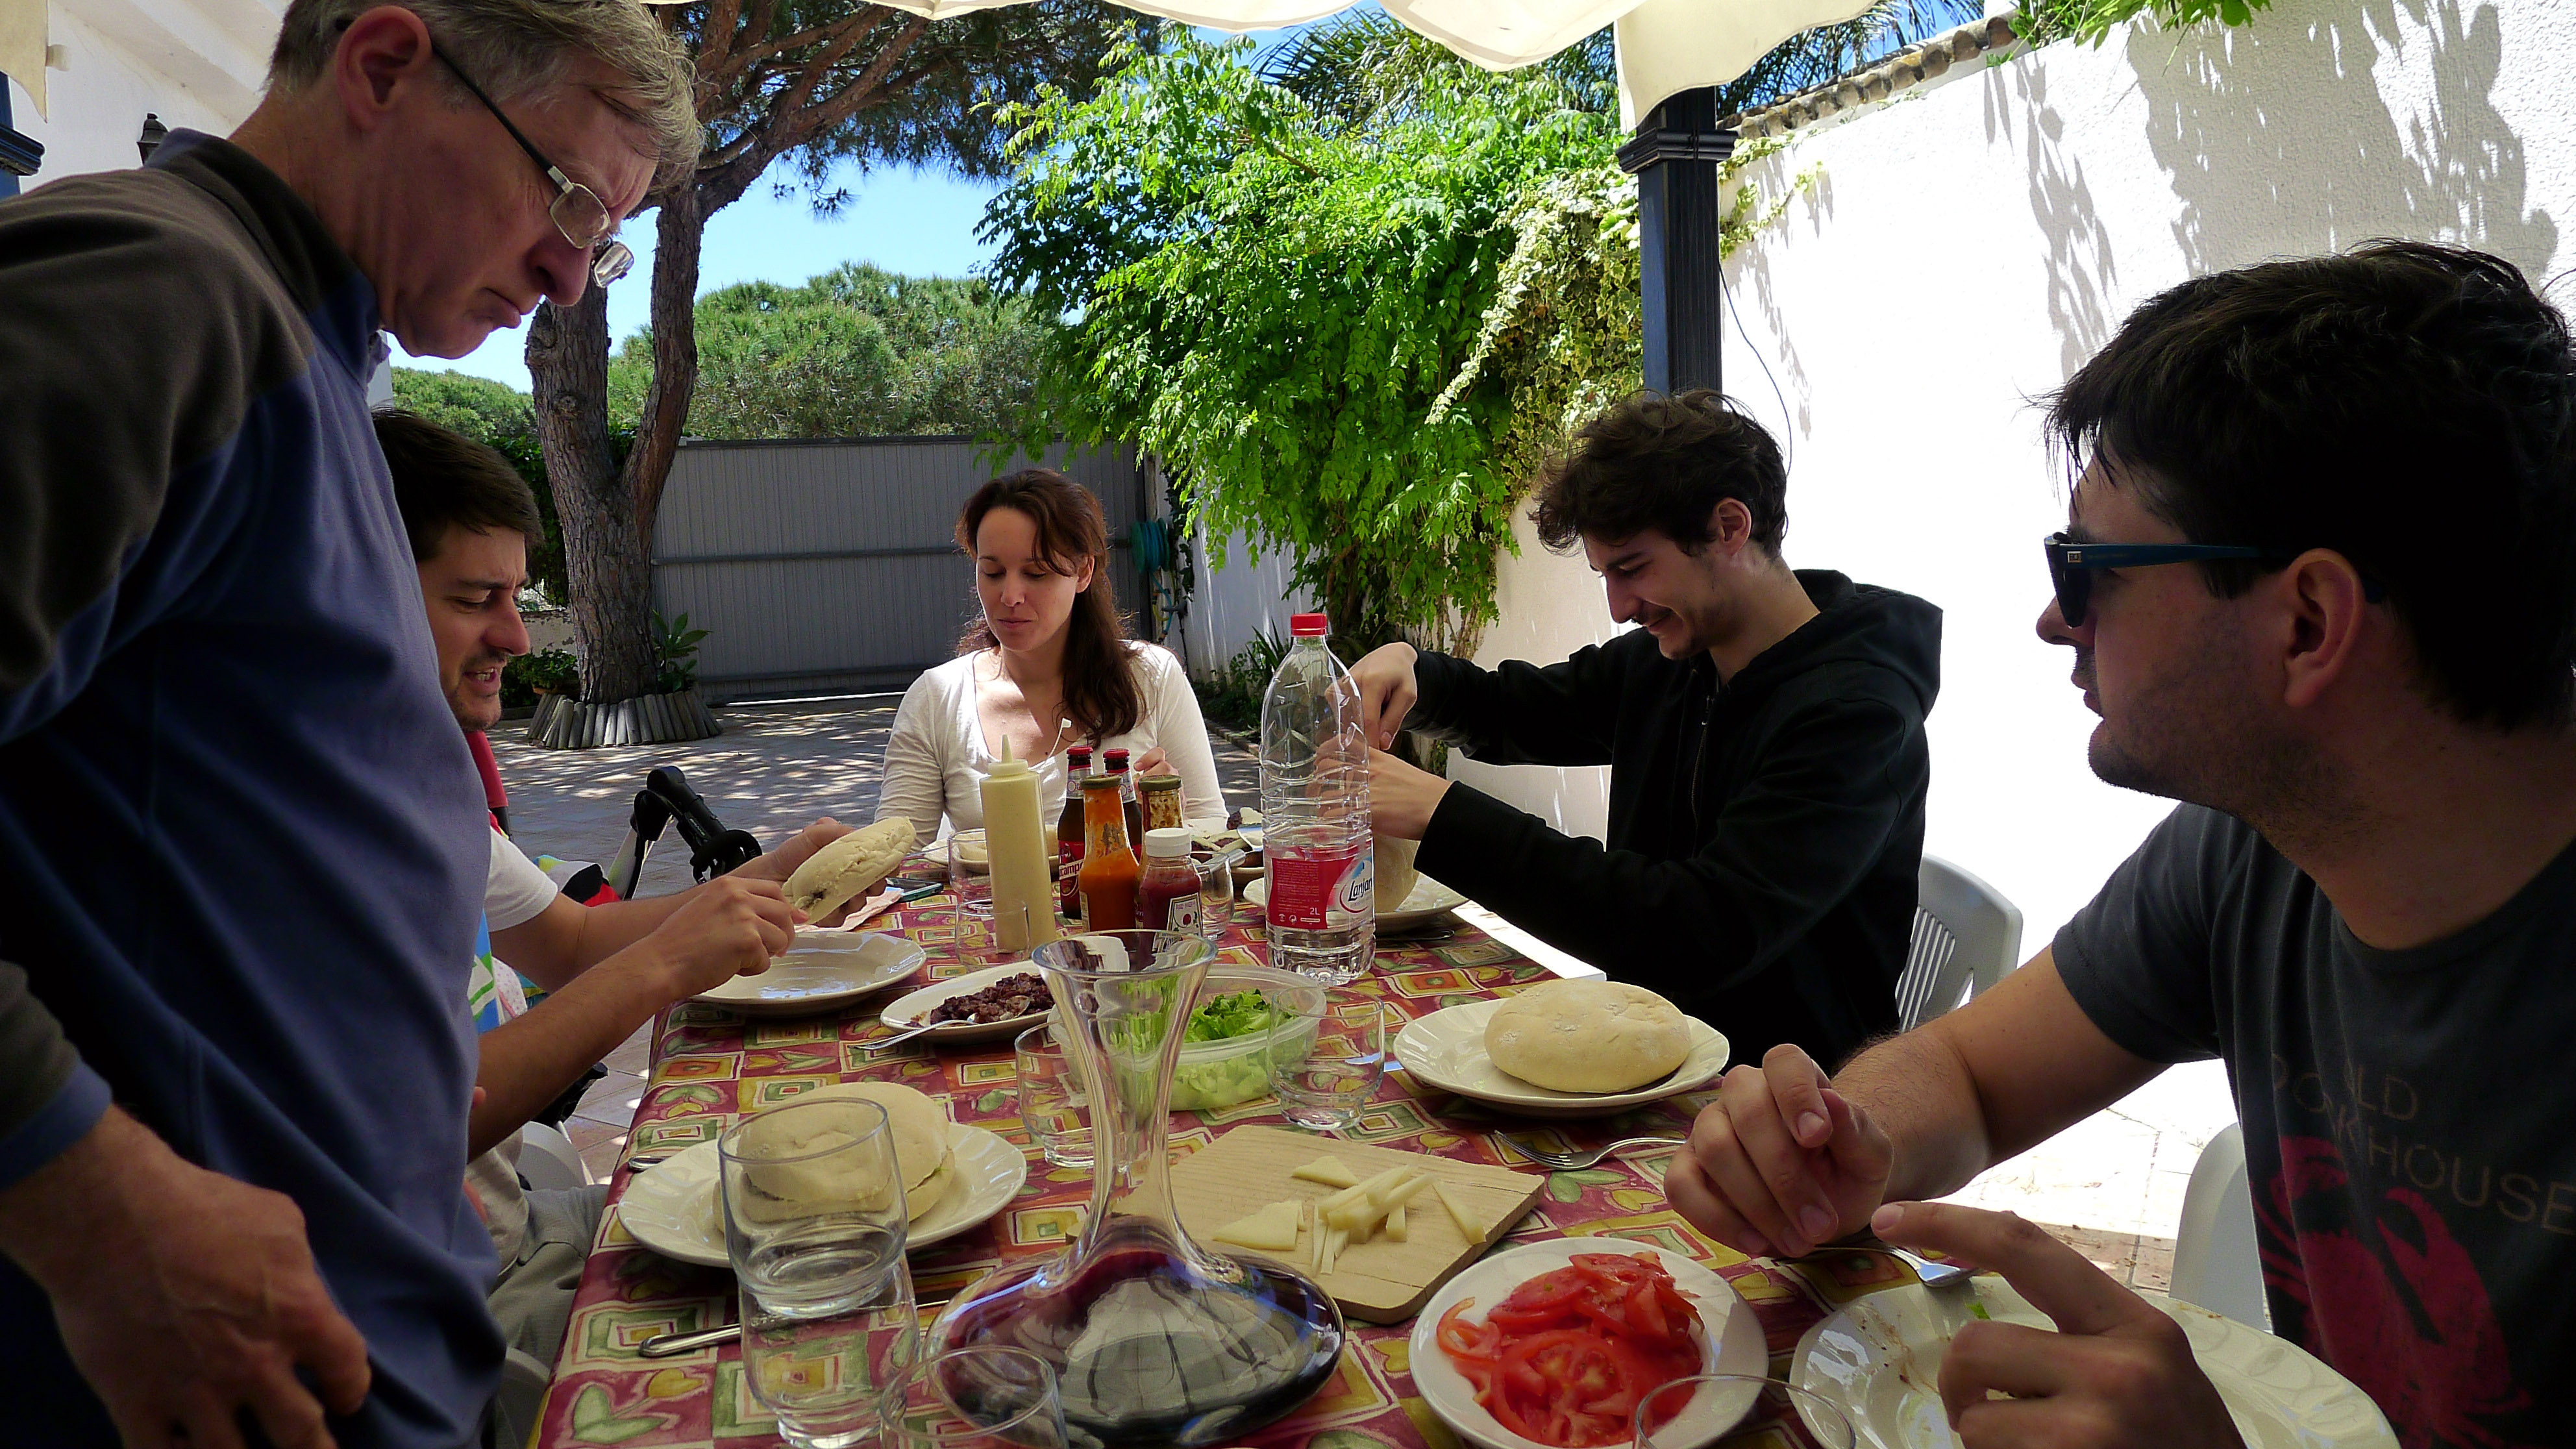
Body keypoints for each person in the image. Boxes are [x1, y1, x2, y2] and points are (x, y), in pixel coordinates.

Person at [1668, 241, 2576, 1447]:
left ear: (2306, 621)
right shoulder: (2253, 858)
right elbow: (1972, 1077)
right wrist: (1844, 1144)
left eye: (2086, 566)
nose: (2052, 619)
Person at [0, 0, 696, 1441]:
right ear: (386, 65)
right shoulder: (161, 294)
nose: (573, 280)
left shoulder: (310, 358)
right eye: (569, 198)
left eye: (608, 240)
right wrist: (89, 1200)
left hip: (372, 1337)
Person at [377, 410, 861, 1433]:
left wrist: (772, 872)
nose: (515, 635)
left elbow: (571, 940)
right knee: (826, 1345)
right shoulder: (312, 829)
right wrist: (667, 971)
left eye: (515, 596)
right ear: (358, 587)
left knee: (839, 1211)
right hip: (463, 1306)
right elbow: (419, 1122)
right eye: (476, 600)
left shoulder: (421, 783)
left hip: (530, 1228)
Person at [1355, 391, 1940, 1069]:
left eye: (1631, 569)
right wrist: (1415, 672)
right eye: (1606, 575)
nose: (1620, 606)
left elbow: (1697, 932)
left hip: (1777, 1099)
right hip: (1649, 1057)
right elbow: (1517, 711)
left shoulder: (1856, 718)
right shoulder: (1680, 659)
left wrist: (1441, 815)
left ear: (1728, 527)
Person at [878, 467, 1228, 843]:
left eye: (1037, 573)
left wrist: (1166, 815)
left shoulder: (1151, 677)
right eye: (993, 572)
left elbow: (1215, 833)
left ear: (1083, 572)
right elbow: (895, 863)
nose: (1010, 596)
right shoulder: (937, 699)